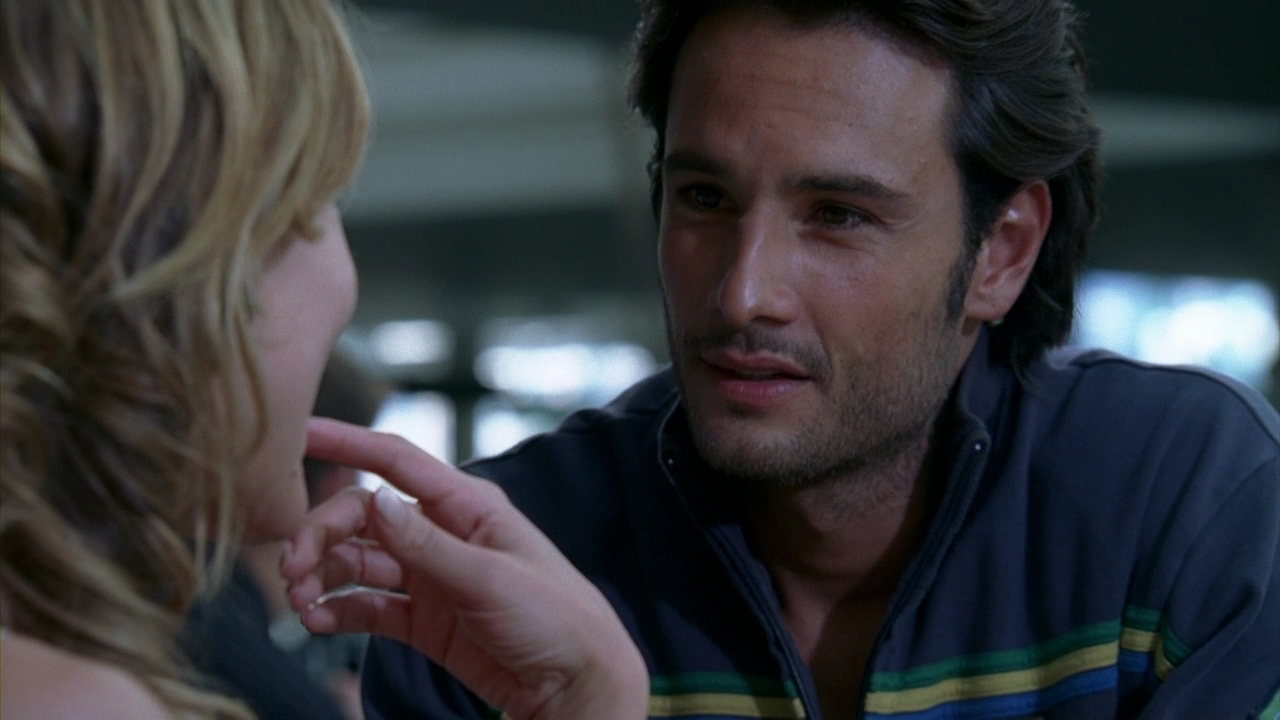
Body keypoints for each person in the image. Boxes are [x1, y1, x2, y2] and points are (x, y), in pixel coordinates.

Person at [289, 0, 1280, 718]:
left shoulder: (1185, 500)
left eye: (838, 216)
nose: (741, 293)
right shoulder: (511, 565)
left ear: (1002, 252)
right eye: (704, 199)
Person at [0, 2, 647, 719]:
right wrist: (593, 691)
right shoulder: (75, 701)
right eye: (317, 199)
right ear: (186, 254)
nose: (346, 280)